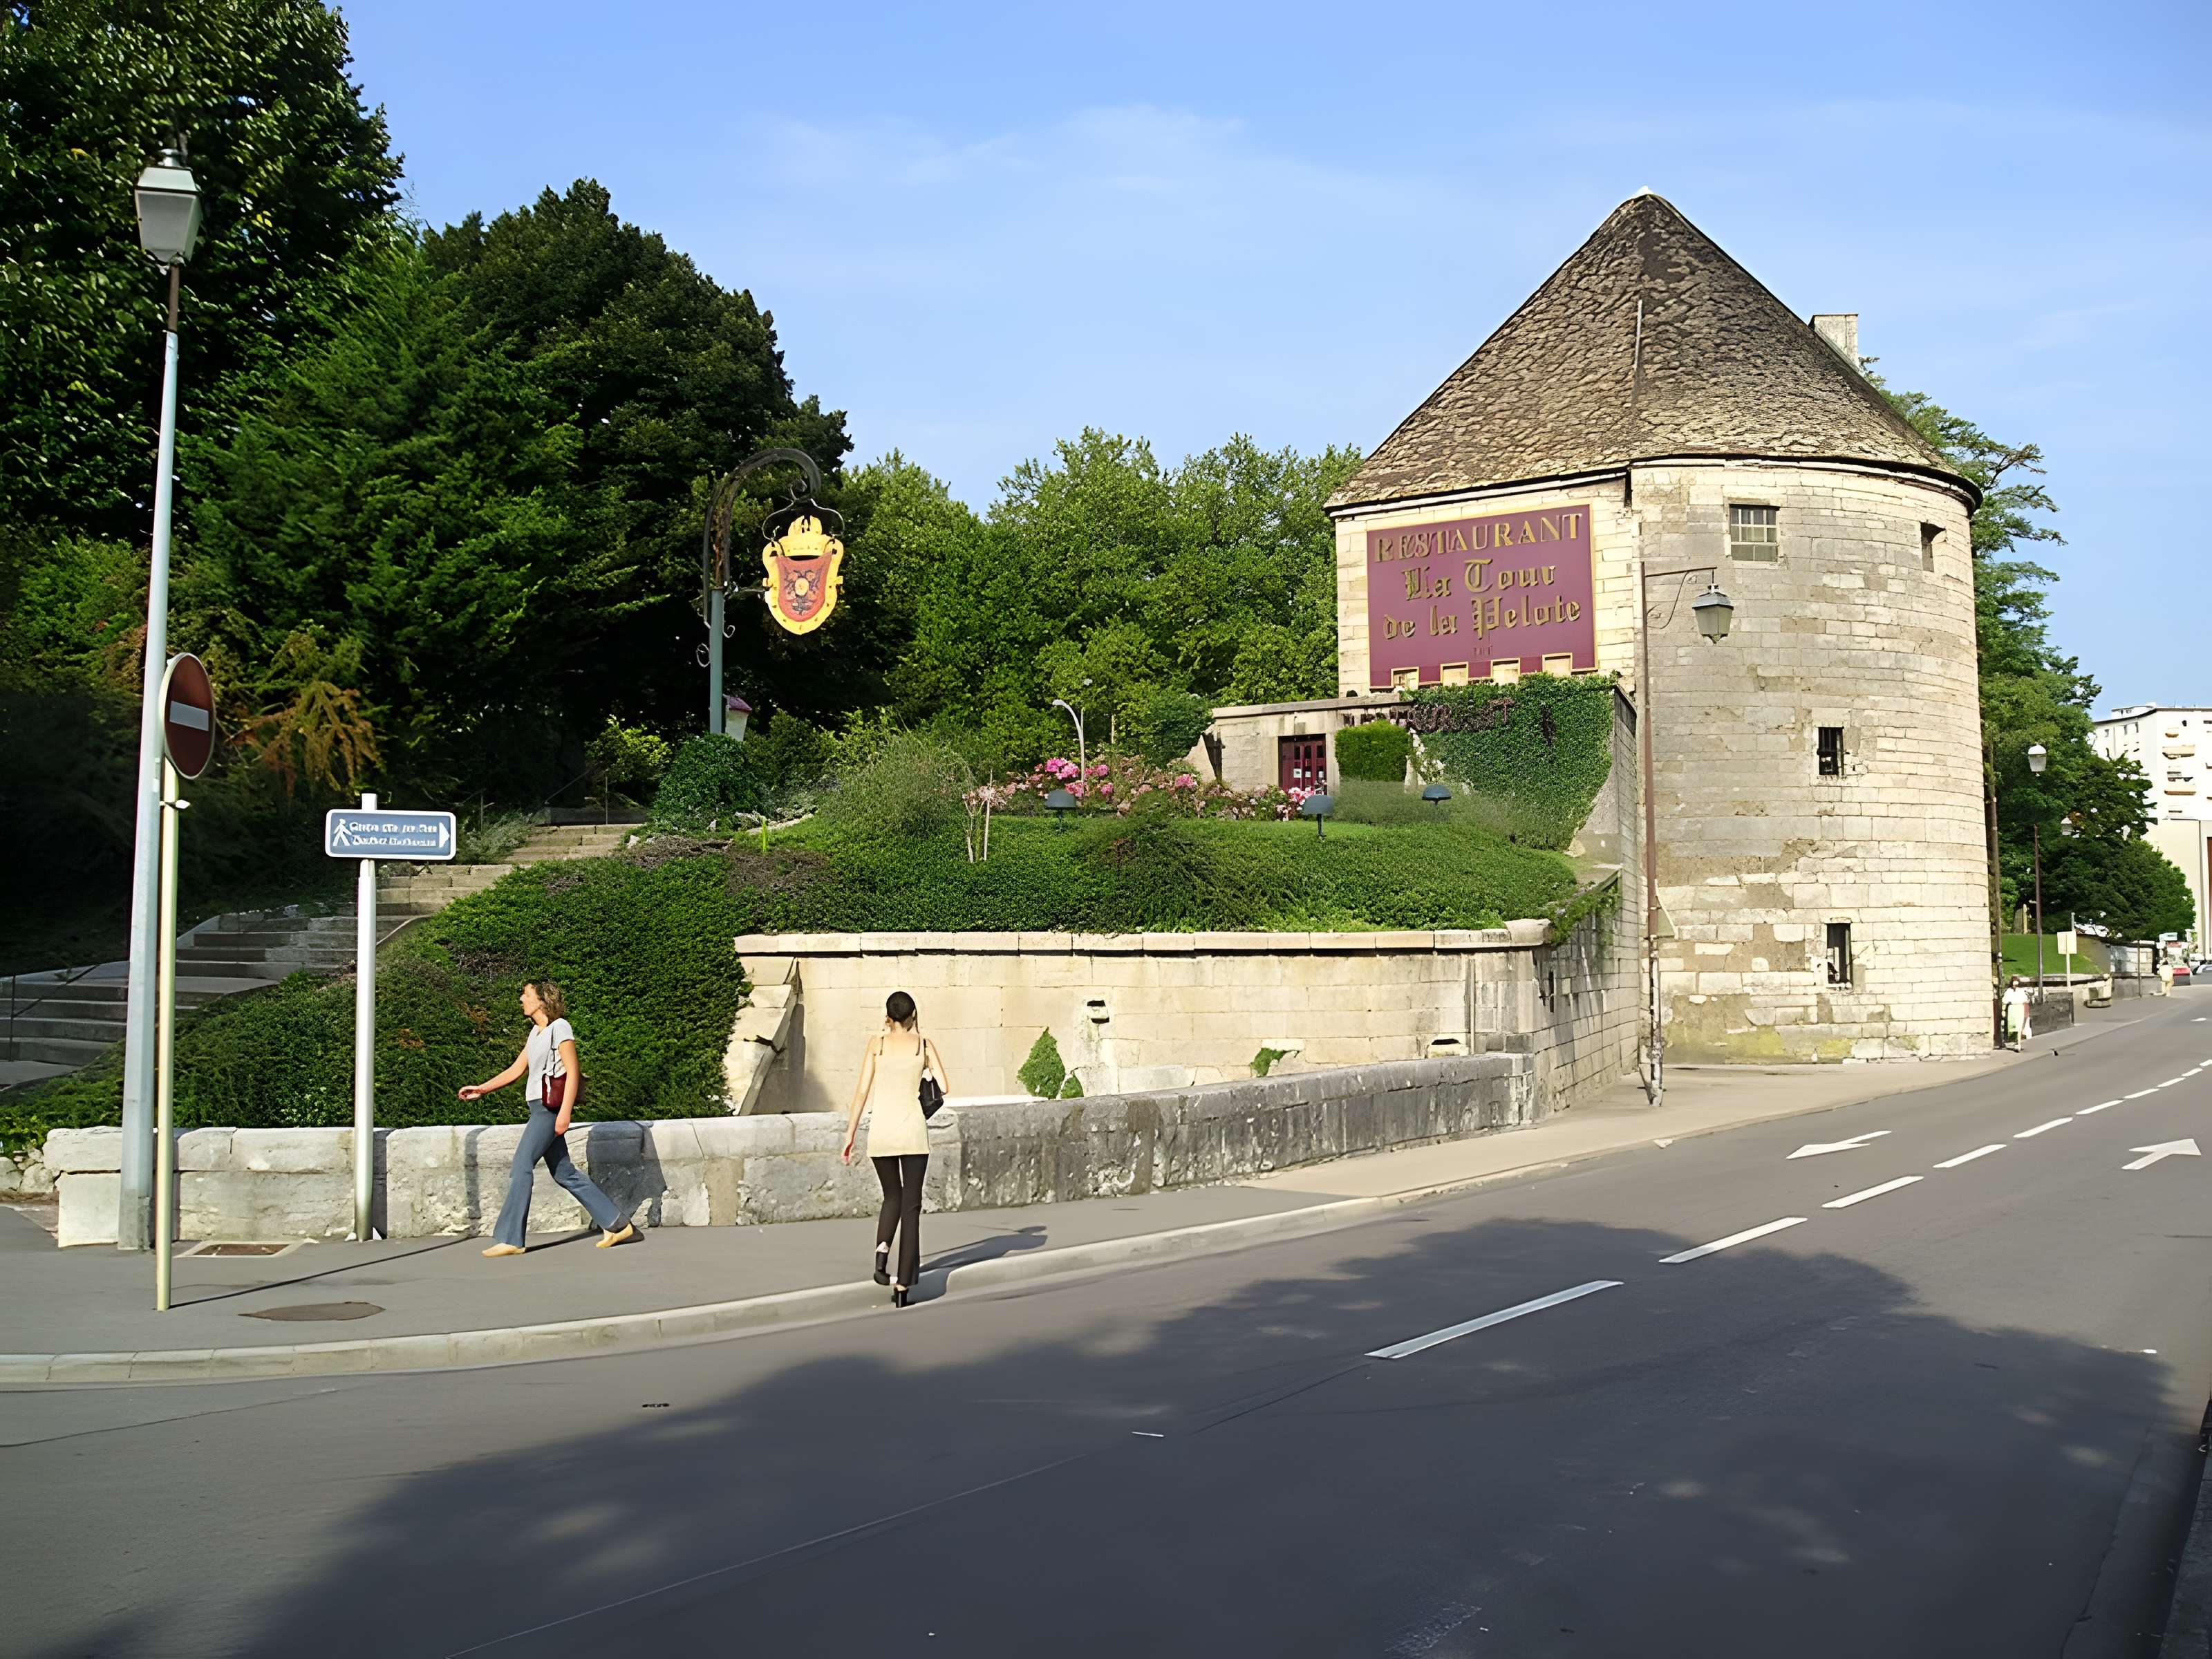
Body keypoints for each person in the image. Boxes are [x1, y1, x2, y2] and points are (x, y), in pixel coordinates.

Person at [458, 980, 636, 1257]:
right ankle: (617, 1224)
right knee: (564, 1173)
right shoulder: (536, 1033)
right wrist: (482, 1089)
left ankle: (511, 1239)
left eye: (527, 994)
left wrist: (565, 1113)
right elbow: (517, 1069)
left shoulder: (560, 1027)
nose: (521, 998)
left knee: (521, 1166)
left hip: (548, 1110)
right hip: (538, 1108)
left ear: (542, 1000)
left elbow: (573, 1071)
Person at [841, 991, 949, 1307]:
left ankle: (880, 1255)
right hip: (913, 1133)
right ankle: (903, 1286)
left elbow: (861, 1092)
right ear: (913, 1014)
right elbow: (944, 1086)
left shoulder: (876, 1045)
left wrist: (849, 1135)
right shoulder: (924, 1045)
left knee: (892, 1195)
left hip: (882, 1134)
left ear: (889, 1016)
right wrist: (923, 1071)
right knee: (911, 1207)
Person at [2001, 975, 2032, 1051]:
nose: (2015, 986)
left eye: (2016, 984)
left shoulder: (2021, 991)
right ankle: (2014, 1041)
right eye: (2014, 984)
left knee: (2019, 1026)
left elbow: (2026, 999)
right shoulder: (2009, 991)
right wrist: (2003, 1010)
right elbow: (2005, 1001)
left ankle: (2018, 1043)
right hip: (2012, 1008)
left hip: (2019, 1008)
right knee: (2012, 1026)